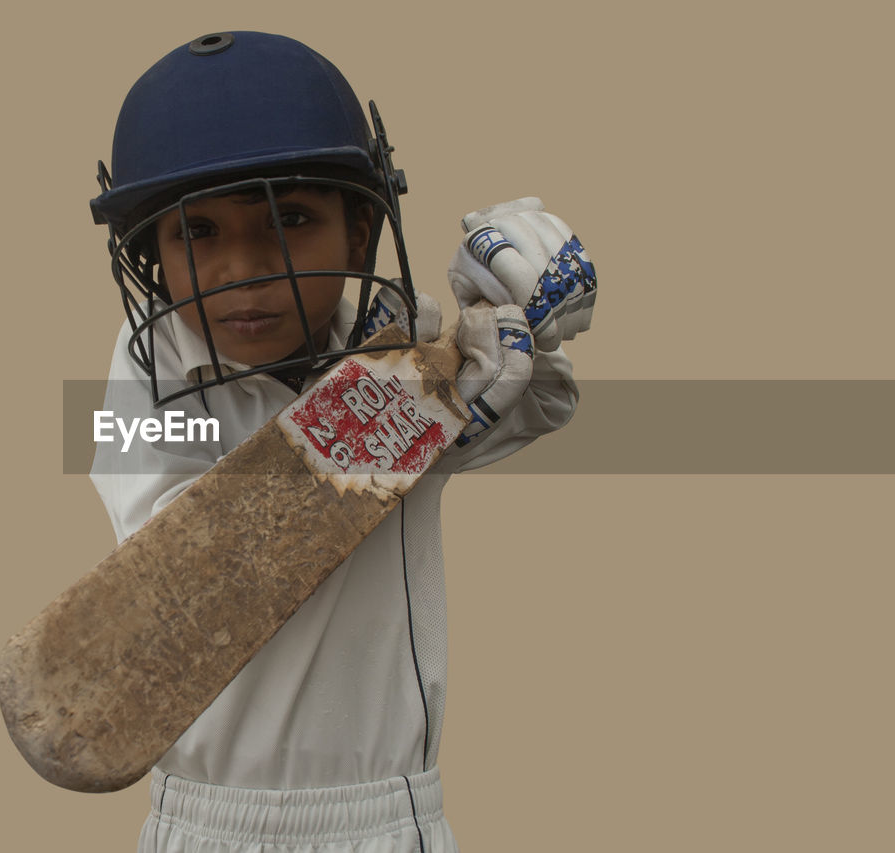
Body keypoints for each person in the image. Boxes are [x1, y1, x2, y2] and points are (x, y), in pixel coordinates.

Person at [87, 30, 595, 853]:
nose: (242, 268)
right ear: (151, 256)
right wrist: (391, 414)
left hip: (386, 817)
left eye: (289, 219)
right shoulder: (143, 376)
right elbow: (193, 568)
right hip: (210, 820)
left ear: (361, 235)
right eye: (198, 233)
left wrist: (526, 314)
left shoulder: (394, 341)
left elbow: (542, 403)